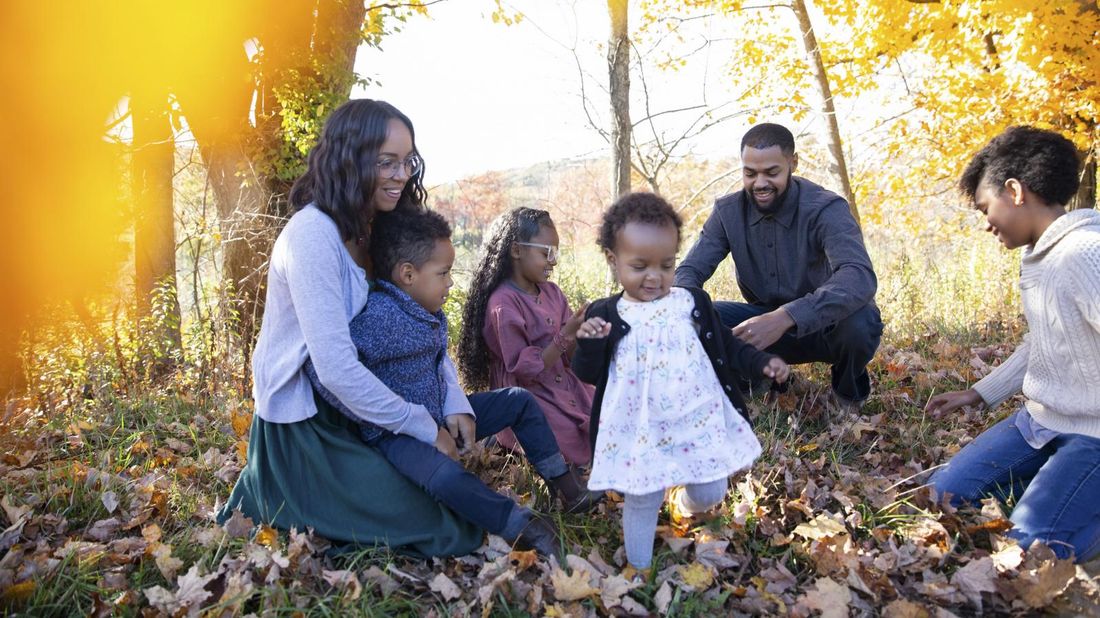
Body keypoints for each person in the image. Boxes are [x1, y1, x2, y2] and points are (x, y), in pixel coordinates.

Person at [217, 99, 484, 556]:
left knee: (453, 502)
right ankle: (283, 492)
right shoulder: (311, 236)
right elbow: (336, 370)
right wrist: (424, 426)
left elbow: (422, 327)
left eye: (407, 161)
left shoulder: (379, 227)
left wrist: (454, 399)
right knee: (443, 524)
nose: (402, 175)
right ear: (351, 158)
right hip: (306, 423)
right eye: (387, 162)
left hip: (364, 409)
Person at [303, 207, 599, 557]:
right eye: (443, 274)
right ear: (408, 274)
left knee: (517, 400)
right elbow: (324, 373)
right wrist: (384, 422)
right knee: (444, 478)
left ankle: (567, 487)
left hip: (441, 414)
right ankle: (522, 526)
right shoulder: (380, 318)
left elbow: (438, 363)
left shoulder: (428, 310)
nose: (451, 283)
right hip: (397, 434)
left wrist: (453, 404)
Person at [571, 192, 790, 575]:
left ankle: (685, 505)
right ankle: (639, 570)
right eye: (639, 266)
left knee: (711, 491)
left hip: (693, 418)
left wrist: (762, 363)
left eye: (666, 265)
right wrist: (589, 343)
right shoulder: (607, 314)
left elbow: (729, 346)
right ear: (613, 260)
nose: (654, 277)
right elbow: (588, 373)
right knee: (643, 497)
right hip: (640, 427)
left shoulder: (692, 304)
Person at [924, 126, 1100, 562]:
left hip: (1093, 433)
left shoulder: (1085, 253)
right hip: (1041, 422)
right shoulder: (1037, 256)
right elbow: (1043, 340)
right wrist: (977, 393)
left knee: (1029, 548)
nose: (986, 223)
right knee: (946, 495)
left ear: (1015, 191)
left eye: (987, 207)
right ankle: (1062, 492)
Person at [674, 123, 882, 410]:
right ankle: (753, 381)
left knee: (860, 321)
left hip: (826, 325)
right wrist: (681, 302)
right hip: (760, 327)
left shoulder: (826, 208)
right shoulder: (727, 212)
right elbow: (689, 271)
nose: (760, 183)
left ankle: (847, 395)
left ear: (792, 163)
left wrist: (786, 316)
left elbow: (858, 276)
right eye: (750, 173)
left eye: (771, 172)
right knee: (694, 314)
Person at [456, 207, 595, 466]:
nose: (553, 261)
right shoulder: (503, 304)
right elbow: (525, 369)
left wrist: (582, 334)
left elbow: (571, 356)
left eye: (556, 253)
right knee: (570, 443)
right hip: (532, 394)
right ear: (517, 250)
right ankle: (505, 438)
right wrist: (565, 334)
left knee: (604, 415)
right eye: (546, 253)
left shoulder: (552, 292)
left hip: (565, 383)